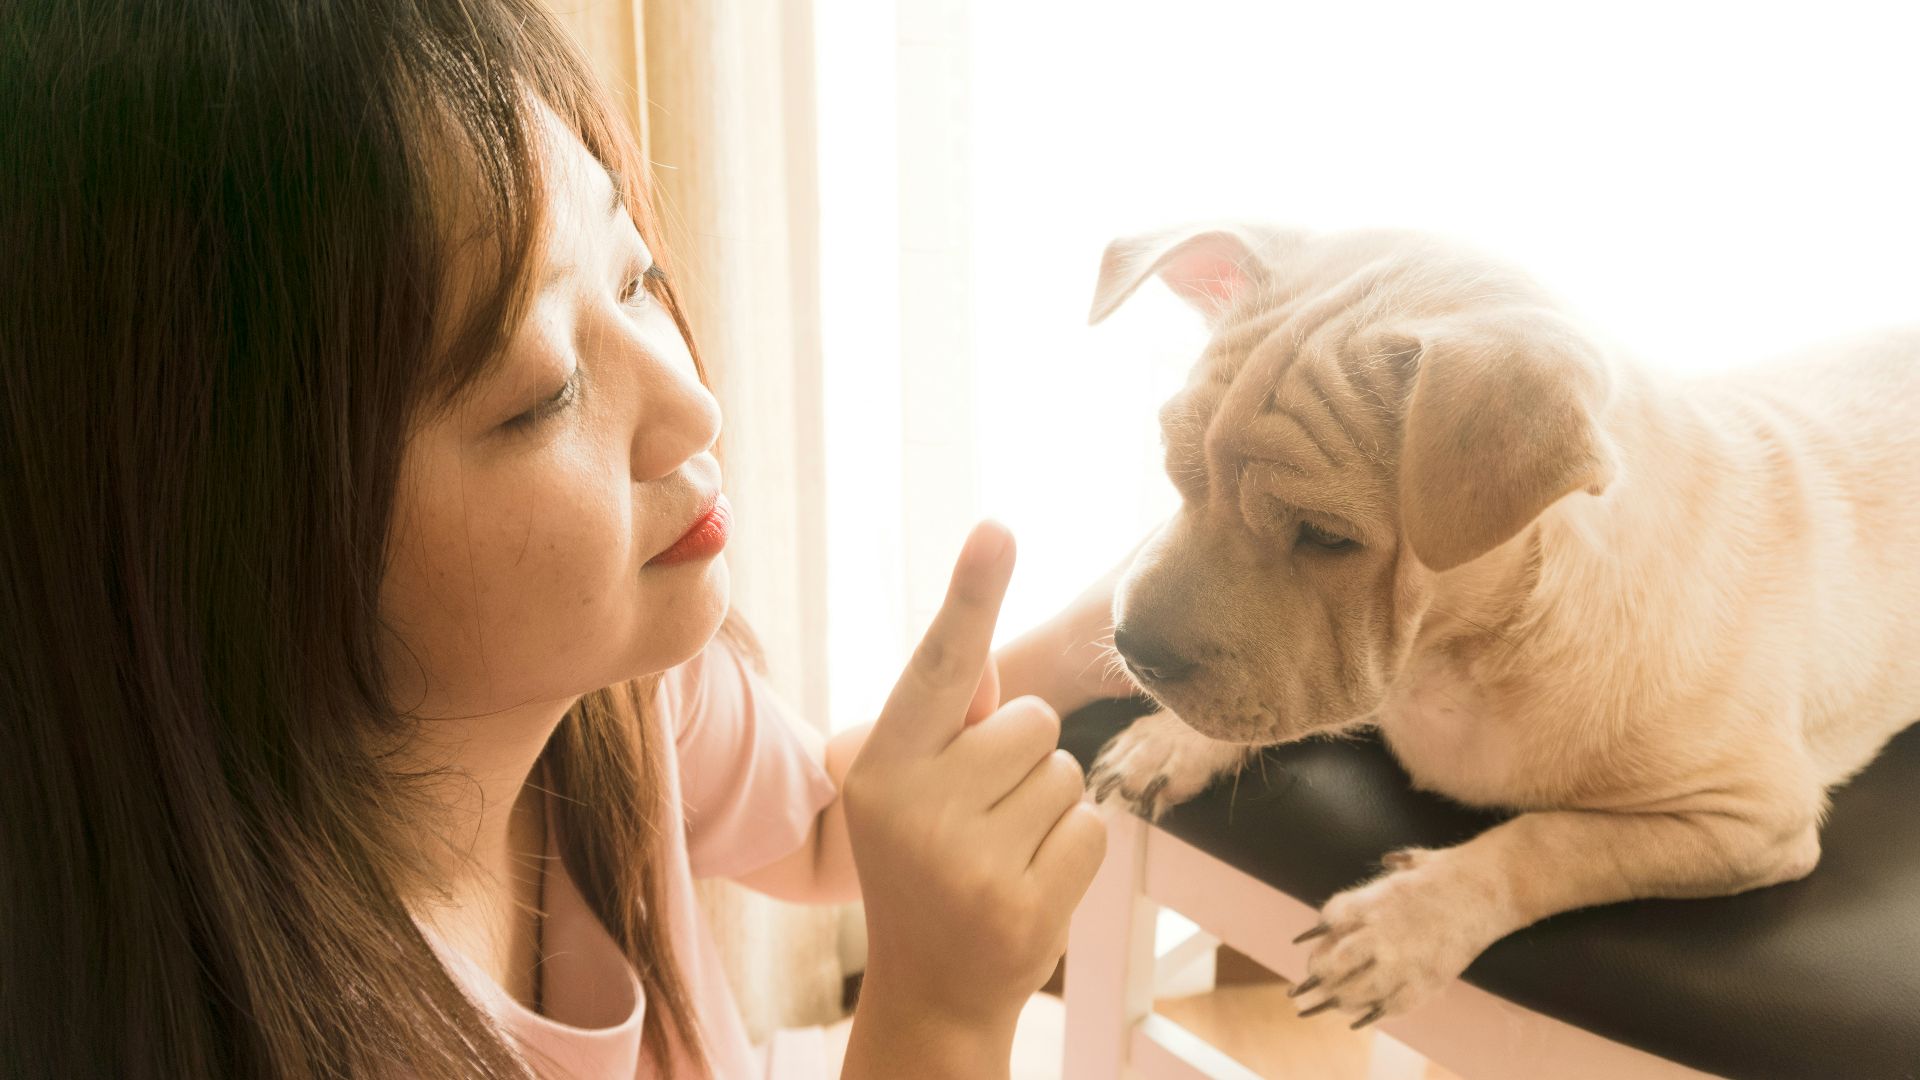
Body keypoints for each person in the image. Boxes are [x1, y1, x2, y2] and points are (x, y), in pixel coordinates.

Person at [0, 2, 1136, 1076]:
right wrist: (933, 1020)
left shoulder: (626, 703)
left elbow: (840, 825)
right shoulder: (264, 1027)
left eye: (634, 276)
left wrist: (1126, 625)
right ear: (253, 553)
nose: (695, 407)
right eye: (544, 390)